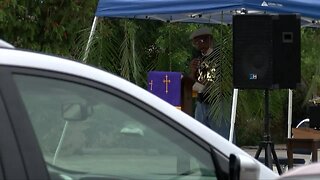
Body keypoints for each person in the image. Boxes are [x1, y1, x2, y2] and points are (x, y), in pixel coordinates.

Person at [189, 27, 232, 140]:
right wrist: (193, 71)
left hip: (218, 102)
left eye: (201, 41)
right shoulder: (198, 57)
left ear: (209, 40)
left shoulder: (219, 56)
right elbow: (193, 82)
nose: (198, 44)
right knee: (200, 136)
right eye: (195, 42)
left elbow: (222, 80)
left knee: (222, 136)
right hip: (201, 101)